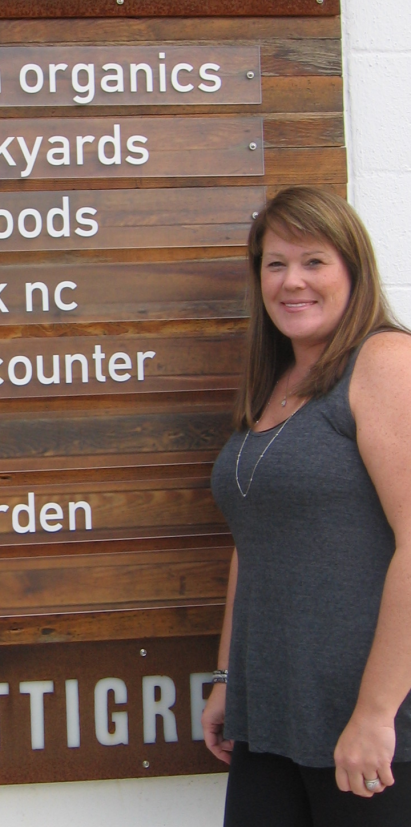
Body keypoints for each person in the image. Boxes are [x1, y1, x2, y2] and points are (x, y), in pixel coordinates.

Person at [201, 186, 411, 825]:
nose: (292, 281)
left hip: (371, 732)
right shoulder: (276, 386)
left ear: (352, 269)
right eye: (275, 263)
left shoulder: (384, 363)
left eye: (313, 261)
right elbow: (254, 541)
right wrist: (228, 679)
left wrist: (375, 715)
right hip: (271, 718)